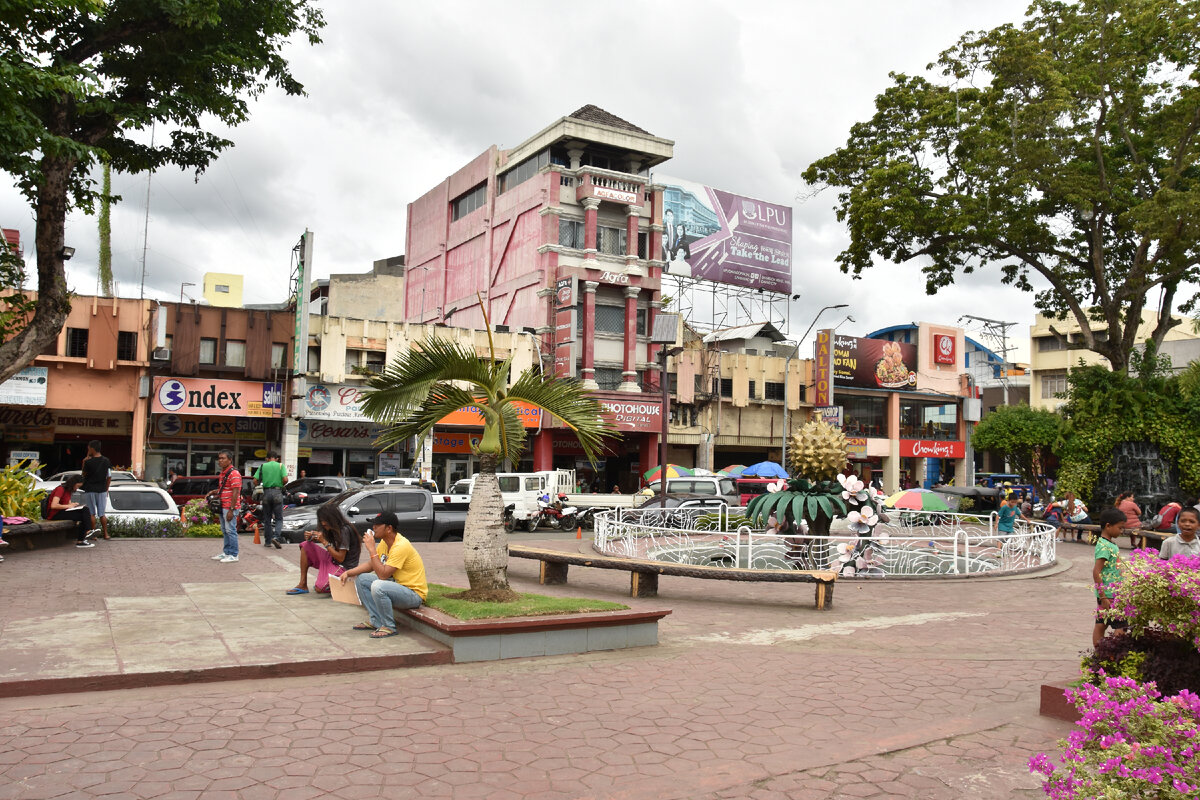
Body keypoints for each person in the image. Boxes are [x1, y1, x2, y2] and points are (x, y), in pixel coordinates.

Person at [338, 512, 427, 639]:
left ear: (389, 528)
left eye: (377, 525)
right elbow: (372, 564)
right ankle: (376, 621)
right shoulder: (385, 543)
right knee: (362, 579)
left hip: (413, 594)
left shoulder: (401, 545)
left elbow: (383, 575)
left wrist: (372, 549)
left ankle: (389, 626)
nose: (373, 528)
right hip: (396, 586)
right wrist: (348, 572)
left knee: (378, 585)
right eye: (373, 525)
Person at [288, 504, 361, 594]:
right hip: (333, 561)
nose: (323, 523)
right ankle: (303, 584)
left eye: (325, 521)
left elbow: (340, 558)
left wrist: (324, 542)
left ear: (332, 519)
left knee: (320, 588)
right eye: (321, 520)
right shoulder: (331, 529)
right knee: (305, 545)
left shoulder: (344, 530)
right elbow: (325, 540)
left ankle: (343, 584)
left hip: (344, 567)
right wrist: (313, 537)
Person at [1092, 506, 1130, 648]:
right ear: (1108, 526)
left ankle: (1100, 655)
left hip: (1111, 592)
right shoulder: (1105, 547)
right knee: (1121, 626)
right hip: (1109, 594)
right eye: (1120, 528)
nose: (1121, 531)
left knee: (1101, 623)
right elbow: (1096, 571)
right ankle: (1112, 653)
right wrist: (1103, 597)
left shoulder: (1108, 544)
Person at [206, 450, 242, 563]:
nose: (220, 461)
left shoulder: (234, 473)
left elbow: (236, 491)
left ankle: (234, 554)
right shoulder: (223, 472)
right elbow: (225, 488)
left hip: (229, 507)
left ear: (230, 460)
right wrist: (214, 492)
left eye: (223, 458)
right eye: (219, 458)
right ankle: (226, 552)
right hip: (223, 505)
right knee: (225, 530)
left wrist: (231, 509)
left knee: (230, 530)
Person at [47, 475, 98, 548]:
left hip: (63, 511)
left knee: (85, 510)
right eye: (77, 486)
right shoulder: (60, 489)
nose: (77, 488)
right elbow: (54, 505)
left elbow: (67, 503)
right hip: (55, 514)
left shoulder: (68, 491)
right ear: (73, 483)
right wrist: (69, 506)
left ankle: (83, 538)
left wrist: (73, 505)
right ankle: (86, 533)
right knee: (84, 514)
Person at [253, 452, 288, 549]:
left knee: (267, 519)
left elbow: (255, 480)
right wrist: (280, 483)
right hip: (277, 492)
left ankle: (268, 541)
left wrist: (260, 486)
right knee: (279, 518)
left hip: (266, 493)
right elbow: (285, 479)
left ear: (267, 458)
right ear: (276, 459)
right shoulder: (281, 466)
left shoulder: (263, 466)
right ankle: (276, 537)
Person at [78, 440, 112, 540]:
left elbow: (83, 475)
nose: (88, 450)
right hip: (102, 490)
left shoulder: (88, 462)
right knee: (102, 514)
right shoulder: (106, 461)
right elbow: (109, 476)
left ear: (92, 448)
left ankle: (93, 536)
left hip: (90, 489)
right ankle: (106, 534)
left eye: (89, 448)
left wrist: (84, 461)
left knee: (92, 513)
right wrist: (106, 489)